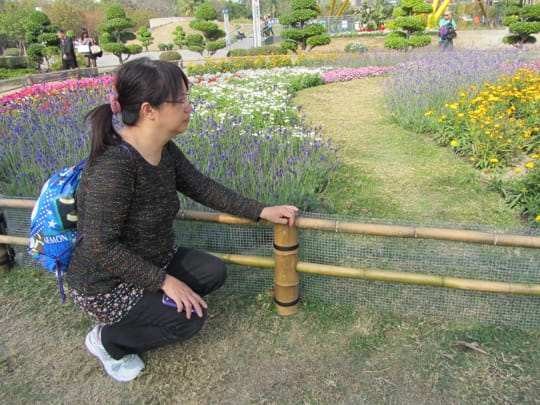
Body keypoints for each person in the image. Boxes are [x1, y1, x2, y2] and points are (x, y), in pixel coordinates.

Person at [66, 58, 299, 382]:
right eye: (181, 100)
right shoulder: (115, 167)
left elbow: (202, 186)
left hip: (154, 258)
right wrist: (165, 282)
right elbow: (99, 247)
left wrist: (262, 211)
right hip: (105, 283)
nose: (189, 108)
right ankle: (107, 340)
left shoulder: (164, 150)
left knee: (213, 272)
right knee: (188, 321)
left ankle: (148, 305)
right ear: (150, 110)